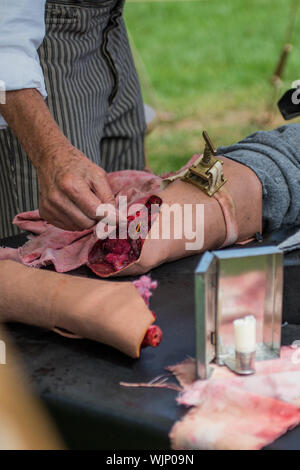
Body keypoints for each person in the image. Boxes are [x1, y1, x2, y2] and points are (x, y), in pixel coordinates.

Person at [0, 0, 146, 238]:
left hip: (109, 24)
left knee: (128, 232)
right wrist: (51, 155)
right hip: (34, 47)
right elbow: (4, 44)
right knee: (53, 243)